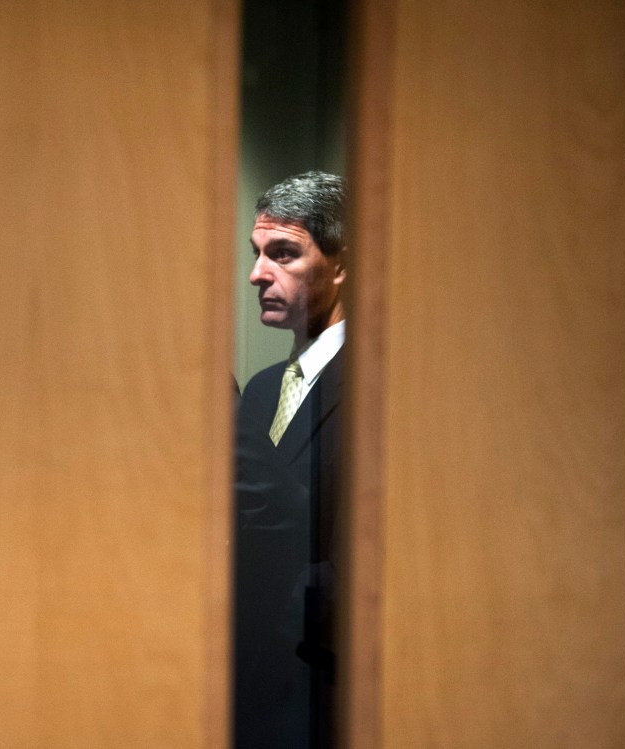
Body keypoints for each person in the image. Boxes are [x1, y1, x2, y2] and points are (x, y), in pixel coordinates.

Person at [233, 171, 347, 749]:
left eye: (283, 254)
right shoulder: (258, 389)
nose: (257, 275)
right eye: (257, 255)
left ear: (343, 265)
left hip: (322, 694)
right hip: (242, 686)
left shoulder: (385, 389)